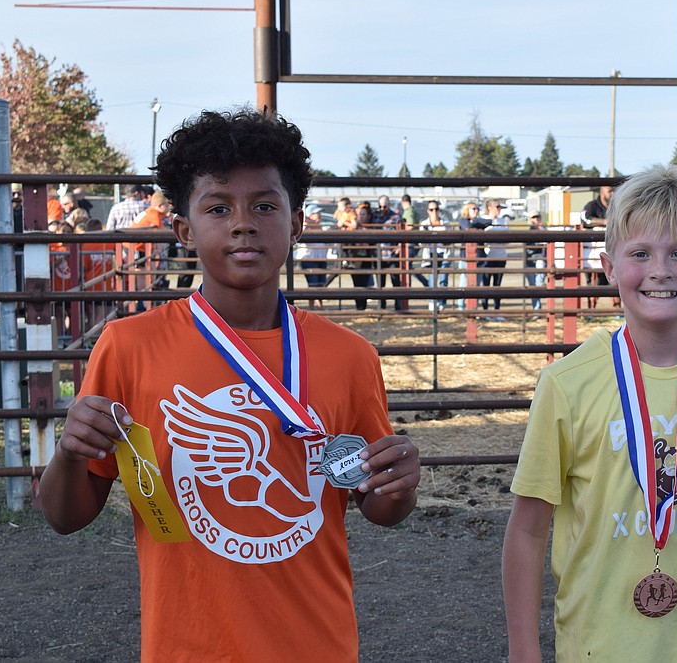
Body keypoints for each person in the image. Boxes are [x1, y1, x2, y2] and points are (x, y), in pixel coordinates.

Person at [38, 108, 420, 663]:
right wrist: (71, 454)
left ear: (297, 224)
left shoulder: (350, 356)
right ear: (184, 230)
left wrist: (400, 483)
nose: (243, 223)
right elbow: (64, 516)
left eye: (265, 205)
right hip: (186, 647)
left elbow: (376, 504)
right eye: (218, 208)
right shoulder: (129, 347)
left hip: (318, 644)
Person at [502, 165, 677, 662]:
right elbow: (526, 529)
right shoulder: (567, 383)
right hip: (598, 644)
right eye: (640, 253)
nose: (660, 270)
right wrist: (524, 647)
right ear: (609, 267)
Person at [580, 185, 613, 309]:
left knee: (615, 279)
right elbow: (584, 218)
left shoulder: (616, 206)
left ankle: (617, 311)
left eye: (614, 190)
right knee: (593, 281)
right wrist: (604, 222)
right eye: (610, 190)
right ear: (602, 191)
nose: (613, 193)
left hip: (611, 250)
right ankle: (591, 311)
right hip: (593, 252)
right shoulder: (592, 205)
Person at [478, 198, 510, 315]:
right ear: (490, 208)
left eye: (500, 207)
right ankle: (485, 311)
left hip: (500, 256)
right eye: (497, 207)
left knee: (497, 285)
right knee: (485, 285)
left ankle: (497, 311)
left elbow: (507, 239)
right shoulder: (483, 220)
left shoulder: (503, 221)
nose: (499, 209)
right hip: (487, 257)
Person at [419, 200, 452, 310]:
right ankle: (432, 301)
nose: (434, 212)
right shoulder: (424, 224)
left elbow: (450, 239)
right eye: (431, 209)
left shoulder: (445, 222)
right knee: (432, 280)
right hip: (431, 254)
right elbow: (421, 242)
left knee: (443, 279)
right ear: (428, 211)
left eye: (436, 209)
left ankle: (442, 302)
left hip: (444, 253)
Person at [299, 203, 329, 308]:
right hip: (309, 259)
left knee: (320, 285)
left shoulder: (322, 228)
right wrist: (307, 223)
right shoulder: (305, 228)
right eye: (316, 213)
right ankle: (312, 308)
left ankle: (319, 307)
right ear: (310, 216)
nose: (319, 215)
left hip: (321, 259)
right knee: (313, 285)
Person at [523, 212, 547, 311]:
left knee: (537, 282)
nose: (536, 219)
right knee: (533, 286)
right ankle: (536, 308)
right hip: (531, 260)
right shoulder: (529, 232)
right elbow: (529, 248)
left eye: (538, 217)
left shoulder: (544, 230)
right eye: (534, 217)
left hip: (540, 259)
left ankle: (537, 308)